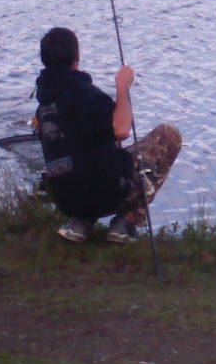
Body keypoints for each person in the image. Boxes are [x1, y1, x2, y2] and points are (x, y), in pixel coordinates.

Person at [33, 27, 182, 244]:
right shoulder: (87, 95)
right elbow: (121, 130)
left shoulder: (45, 101)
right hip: (104, 192)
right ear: (77, 57)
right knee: (169, 135)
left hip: (64, 198)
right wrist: (122, 87)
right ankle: (125, 222)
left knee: (89, 152)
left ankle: (81, 223)